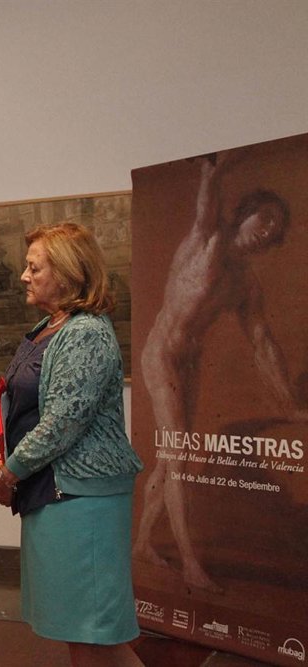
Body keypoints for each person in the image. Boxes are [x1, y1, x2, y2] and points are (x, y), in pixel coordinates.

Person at [133, 151, 304, 592]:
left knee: (172, 457)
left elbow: (263, 343)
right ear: (244, 214)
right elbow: (207, 201)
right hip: (161, 356)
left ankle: (143, 543)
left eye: (274, 229)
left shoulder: (244, 284)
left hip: (189, 363)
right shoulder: (206, 239)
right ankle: (191, 562)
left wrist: (289, 403)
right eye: (265, 219)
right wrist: (214, 170)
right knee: (177, 455)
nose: (267, 231)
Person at [0, 223, 144, 667]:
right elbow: (28, 407)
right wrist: (5, 457)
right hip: (55, 493)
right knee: (83, 634)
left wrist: (9, 472)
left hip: (83, 500)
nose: (24, 276)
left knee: (92, 634)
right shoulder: (49, 327)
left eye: (34, 268)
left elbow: (62, 422)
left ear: (67, 273)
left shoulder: (86, 332)